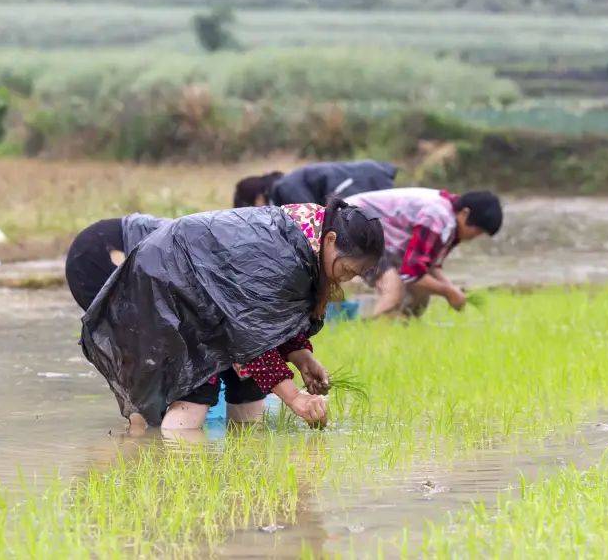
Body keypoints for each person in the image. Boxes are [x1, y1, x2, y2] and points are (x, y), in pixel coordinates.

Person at [66, 200, 384, 429]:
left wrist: (303, 358)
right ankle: (155, 464)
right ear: (330, 241)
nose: (347, 279)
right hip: (167, 292)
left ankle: (233, 487)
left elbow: (271, 318)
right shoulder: (285, 252)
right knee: (193, 390)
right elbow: (250, 338)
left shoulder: (305, 240)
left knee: (247, 390)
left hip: (201, 296)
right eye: (347, 269)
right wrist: (295, 399)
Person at [344, 188, 503, 317]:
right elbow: (412, 274)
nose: (475, 236)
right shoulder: (438, 217)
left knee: (420, 296)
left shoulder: (450, 223)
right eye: (477, 230)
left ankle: (396, 331)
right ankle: (371, 333)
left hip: (378, 235)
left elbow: (429, 266)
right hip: (351, 222)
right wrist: (448, 292)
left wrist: (451, 289)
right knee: (393, 287)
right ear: (465, 213)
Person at [233, 160, 398, 208]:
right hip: (369, 174)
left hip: (365, 179)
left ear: (258, 198)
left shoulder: (284, 188)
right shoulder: (285, 187)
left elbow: (313, 217)